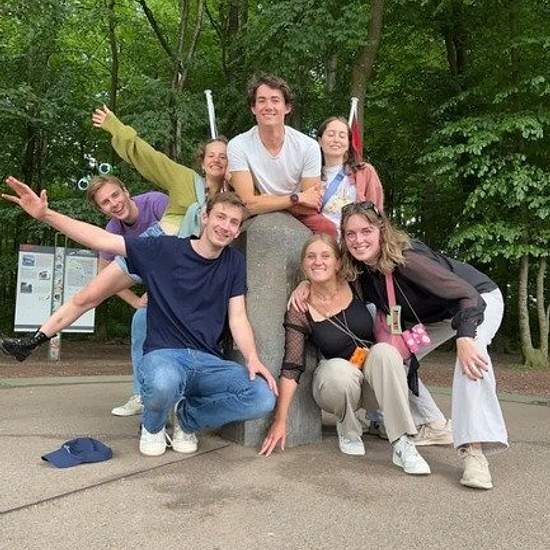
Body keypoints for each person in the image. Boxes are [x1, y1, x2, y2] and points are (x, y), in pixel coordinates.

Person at [2, 178, 278, 456]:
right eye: (220, 217)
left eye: (233, 222)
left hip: (207, 361)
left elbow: (237, 317)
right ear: (205, 217)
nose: (225, 226)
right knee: (163, 382)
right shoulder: (163, 250)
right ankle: (153, 426)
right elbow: (100, 240)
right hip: (165, 356)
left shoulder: (233, 262)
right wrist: (46, 215)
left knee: (262, 397)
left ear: (237, 230)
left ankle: (187, 419)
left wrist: (252, 358)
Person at [0, 105, 229, 388]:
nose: (217, 160)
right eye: (211, 155)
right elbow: (148, 156)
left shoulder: (233, 201)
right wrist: (115, 126)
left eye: (224, 156)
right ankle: (32, 340)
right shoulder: (185, 180)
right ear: (202, 161)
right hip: (153, 248)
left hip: (186, 267)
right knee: (88, 296)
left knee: (159, 323)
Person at [336, 201, 508, 489]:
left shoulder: (408, 259)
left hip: (475, 301)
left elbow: (467, 296)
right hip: (434, 317)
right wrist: (305, 287)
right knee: (392, 361)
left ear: (382, 230)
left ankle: (474, 454)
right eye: (350, 234)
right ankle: (434, 424)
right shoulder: (362, 270)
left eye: (366, 231)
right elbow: (327, 278)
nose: (358, 240)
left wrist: (466, 336)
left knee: (471, 358)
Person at [260, 234, 431, 475]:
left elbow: (385, 270)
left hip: (373, 380)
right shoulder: (300, 308)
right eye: (311, 256)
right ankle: (348, 430)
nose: (318, 261)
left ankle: (402, 442)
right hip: (335, 386)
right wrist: (280, 419)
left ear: (338, 262)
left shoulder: (357, 284)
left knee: (385, 351)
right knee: (337, 369)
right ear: (303, 264)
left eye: (325, 256)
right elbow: (292, 365)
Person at [228, 74, 336, 235]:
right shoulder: (238, 145)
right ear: (253, 108)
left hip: (295, 213)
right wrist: (296, 198)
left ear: (287, 107)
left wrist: (264, 201)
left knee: (328, 229)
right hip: (259, 213)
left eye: (275, 100)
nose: (268, 106)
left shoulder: (308, 146)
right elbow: (246, 204)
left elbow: (310, 205)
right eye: (262, 100)